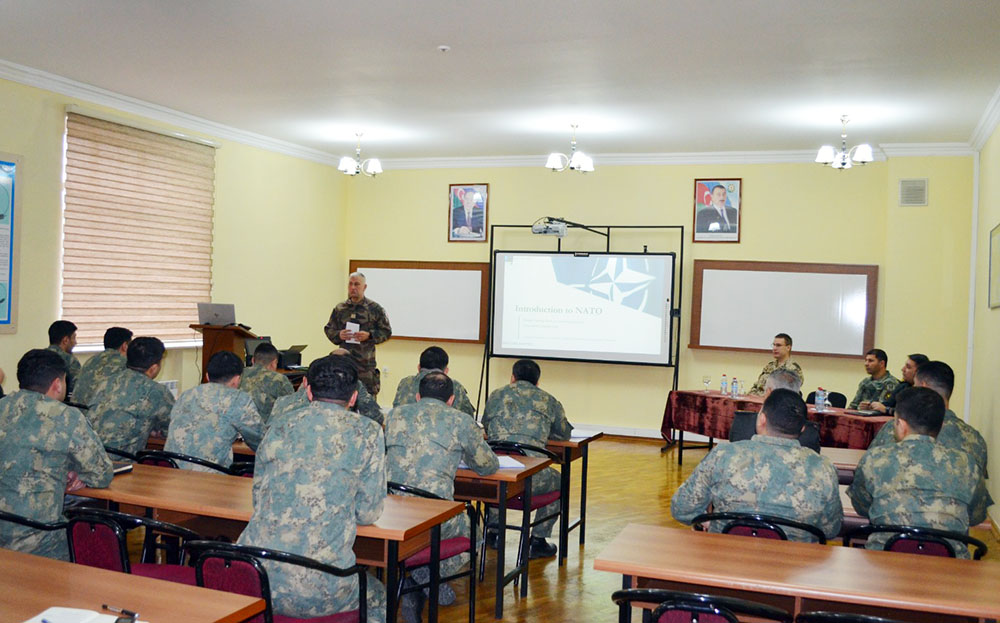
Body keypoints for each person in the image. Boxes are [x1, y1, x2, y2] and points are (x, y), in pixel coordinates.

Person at [238, 354, 386, 621]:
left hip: (254, 576)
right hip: (321, 589)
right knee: (377, 596)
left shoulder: (279, 424)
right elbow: (368, 513)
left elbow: (259, 495)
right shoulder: (368, 432)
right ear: (353, 398)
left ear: (308, 391)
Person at [385, 371, 498, 617]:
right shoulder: (460, 420)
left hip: (391, 510)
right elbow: (487, 465)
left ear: (417, 396)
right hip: (434, 515)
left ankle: (421, 574)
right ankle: (425, 577)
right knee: (475, 533)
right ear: (451, 400)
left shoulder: (394, 416)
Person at [671, 388, 841, 542]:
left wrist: (709, 521)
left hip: (727, 561)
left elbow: (682, 508)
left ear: (761, 419)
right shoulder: (823, 467)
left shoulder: (723, 455)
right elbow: (831, 529)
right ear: (803, 428)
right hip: (794, 569)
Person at [847, 387, 989, 558]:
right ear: (941, 425)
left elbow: (862, 507)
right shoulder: (967, 463)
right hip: (950, 562)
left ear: (901, 425)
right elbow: (977, 516)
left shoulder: (874, 458)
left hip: (884, 556)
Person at [0, 349, 113, 559]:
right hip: (41, 539)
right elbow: (102, 474)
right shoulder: (67, 417)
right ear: (58, 384)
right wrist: (76, 472)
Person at [481, 359, 572, 558]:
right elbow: (563, 434)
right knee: (560, 481)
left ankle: (494, 532)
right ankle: (538, 540)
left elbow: (486, 426)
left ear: (512, 378)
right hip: (530, 477)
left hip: (498, 471)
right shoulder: (548, 400)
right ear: (537, 382)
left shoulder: (496, 395)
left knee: (499, 479)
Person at [867, 361, 991, 485]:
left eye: (914, 385)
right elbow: (978, 491)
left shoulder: (895, 427)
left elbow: (869, 474)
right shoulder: (974, 438)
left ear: (923, 387)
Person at [164, 350, 264, 471]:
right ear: (237, 379)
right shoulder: (239, 399)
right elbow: (261, 441)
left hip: (171, 471)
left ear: (207, 376)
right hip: (209, 478)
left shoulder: (187, 395)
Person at [86, 337, 174, 457]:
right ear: (153, 368)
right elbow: (172, 428)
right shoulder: (156, 391)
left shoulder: (106, 382)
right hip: (120, 464)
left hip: (88, 455)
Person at [324, 272, 392, 397]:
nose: (353, 287)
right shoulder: (340, 309)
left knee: (367, 402)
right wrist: (339, 335)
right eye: (350, 284)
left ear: (364, 287)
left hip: (365, 366)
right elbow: (329, 329)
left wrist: (370, 335)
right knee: (344, 398)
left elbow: (386, 331)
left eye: (357, 284)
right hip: (344, 364)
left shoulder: (374, 309)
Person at [392, 346, 476, 416]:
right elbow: (468, 416)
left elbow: (396, 410)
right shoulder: (455, 386)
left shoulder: (405, 382)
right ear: (446, 371)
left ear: (418, 368)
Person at [74, 326, 132, 406]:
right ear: (125, 346)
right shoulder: (124, 364)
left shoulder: (91, 360)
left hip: (78, 411)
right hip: (97, 414)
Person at [240, 342, 294, 423]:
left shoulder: (238, 375)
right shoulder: (279, 379)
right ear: (274, 363)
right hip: (264, 430)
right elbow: (292, 407)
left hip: (238, 428)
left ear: (252, 360)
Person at [46, 320, 82, 399]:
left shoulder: (39, 356)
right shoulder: (70, 361)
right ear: (65, 340)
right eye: (74, 338)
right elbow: (78, 389)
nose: (75, 342)